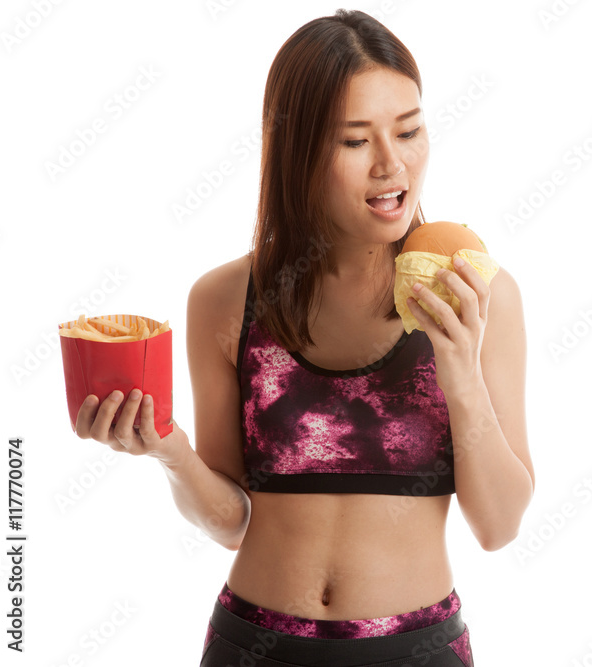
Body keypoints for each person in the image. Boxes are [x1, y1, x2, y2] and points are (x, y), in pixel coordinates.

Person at [73, 10, 534, 666]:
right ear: (298, 150)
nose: (391, 163)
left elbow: (501, 525)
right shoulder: (224, 299)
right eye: (354, 141)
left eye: (409, 130)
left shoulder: (475, 292)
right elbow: (231, 520)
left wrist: (459, 372)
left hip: (416, 649)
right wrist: (169, 449)